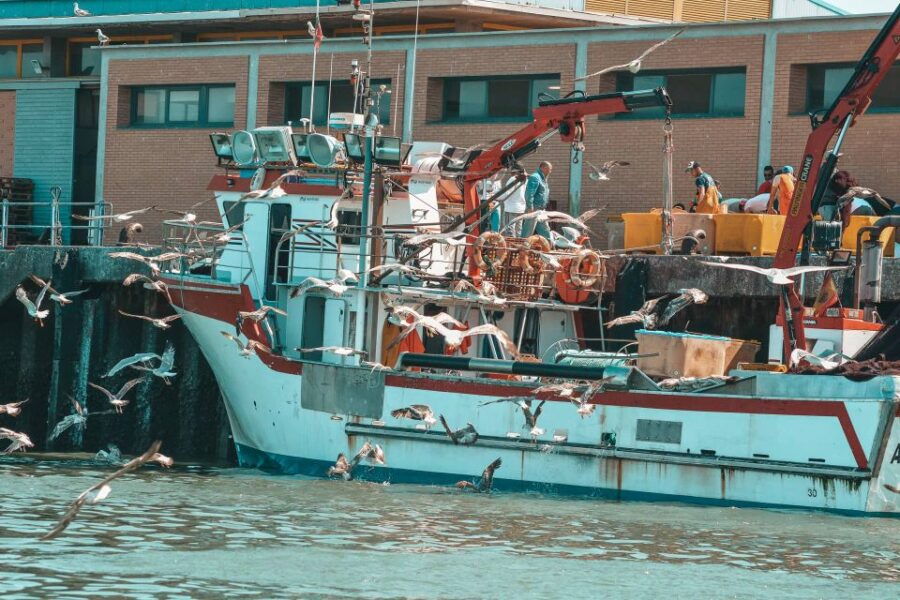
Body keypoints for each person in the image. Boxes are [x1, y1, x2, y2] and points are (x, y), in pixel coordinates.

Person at [522, 161, 552, 238]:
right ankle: (522, 246)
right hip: (534, 208)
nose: (550, 171)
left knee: (545, 230)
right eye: (548, 169)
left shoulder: (542, 178)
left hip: (541, 209)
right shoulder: (535, 177)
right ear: (542, 168)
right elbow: (529, 194)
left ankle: (549, 246)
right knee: (528, 231)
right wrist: (530, 207)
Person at [502, 170, 527, 237]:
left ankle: (510, 245)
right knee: (518, 230)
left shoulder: (513, 179)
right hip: (521, 208)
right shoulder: (525, 179)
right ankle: (518, 246)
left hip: (511, 208)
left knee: (510, 229)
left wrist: (496, 198)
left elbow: (507, 193)